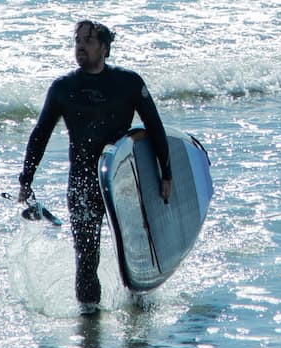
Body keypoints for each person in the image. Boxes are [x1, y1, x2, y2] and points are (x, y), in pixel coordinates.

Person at [18, 20, 172, 315]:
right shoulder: (63, 88)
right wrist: (26, 179)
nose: (80, 46)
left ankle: (140, 309)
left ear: (104, 47)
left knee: (135, 249)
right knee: (86, 257)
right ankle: (90, 320)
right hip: (83, 182)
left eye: (88, 41)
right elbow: (40, 134)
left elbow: (154, 127)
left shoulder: (129, 83)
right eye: (77, 40)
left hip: (123, 181)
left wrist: (166, 175)